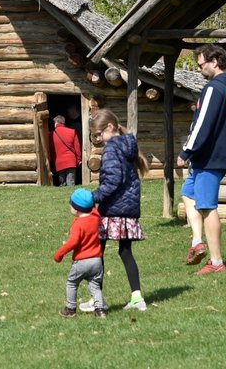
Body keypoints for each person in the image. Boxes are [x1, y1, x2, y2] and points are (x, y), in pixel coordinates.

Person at [177, 44, 226, 275]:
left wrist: (186, 151)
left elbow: (203, 124)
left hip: (209, 156)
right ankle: (197, 242)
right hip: (222, 155)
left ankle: (217, 262)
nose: (200, 69)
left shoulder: (214, 88)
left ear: (215, 62)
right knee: (188, 193)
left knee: (207, 206)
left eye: (202, 65)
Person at [80, 109, 151, 313]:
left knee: (97, 253)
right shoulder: (127, 145)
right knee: (125, 252)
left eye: (99, 134)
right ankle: (137, 298)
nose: (98, 139)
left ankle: (97, 299)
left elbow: (112, 181)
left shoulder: (111, 148)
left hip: (112, 210)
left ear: (110, 127)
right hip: (128, 210)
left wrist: (93, 197)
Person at [53, 188, 105, 318]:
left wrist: (59, 254)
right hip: (97, 260)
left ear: (76, 209)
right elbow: (94, 210)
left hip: (82, 261)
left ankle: (70, 309)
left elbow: (73, 242)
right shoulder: (96, 218)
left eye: (70, 204)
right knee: (95, 285)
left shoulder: (78, 224)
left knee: (72, 283)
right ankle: (99, 310)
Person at [51, 115, 82, 187]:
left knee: (62, 184)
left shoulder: (51, 134)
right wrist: (79, 159)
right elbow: (77, 148)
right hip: (71, 161)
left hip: (59, 162)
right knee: (71, 183)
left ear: (56, 123)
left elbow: (51, 150)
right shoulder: (72, 132)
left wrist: (52, 161)